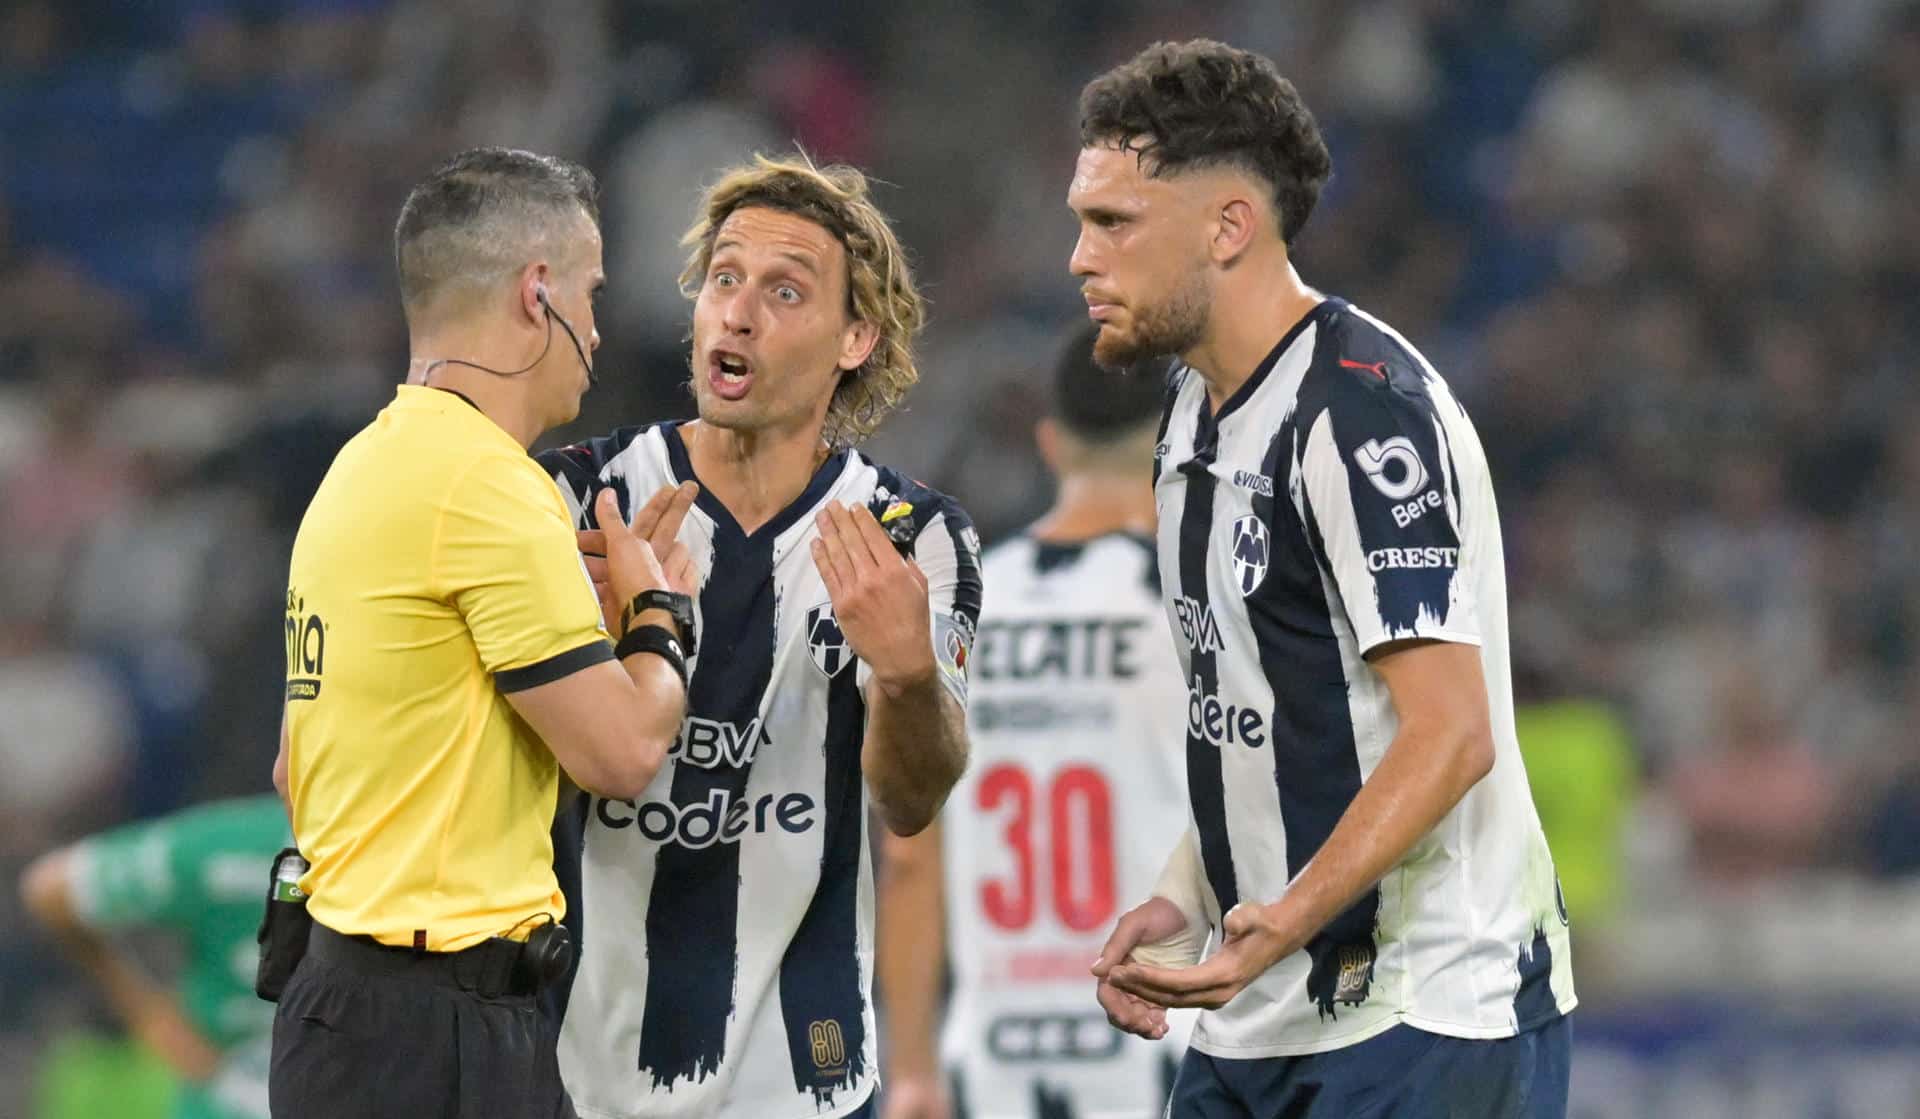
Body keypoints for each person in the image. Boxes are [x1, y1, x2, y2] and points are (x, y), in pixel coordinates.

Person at [1068, 41, 1575, 1118]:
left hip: (1423, 1009)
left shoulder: (1358, 410)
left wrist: (1287, 916)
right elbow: (1258, 717)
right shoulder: (1189, 421)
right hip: (1258, 1014)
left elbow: (1451, 732)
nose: (1080, 257)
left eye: (1113, 223)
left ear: (1228, 228)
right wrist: (1185, 893)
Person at [537, 153, 981, 1119]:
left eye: (785, 291)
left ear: (855, 337)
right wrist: (587, 648)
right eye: (724, 279)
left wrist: (907, 678)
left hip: (805, 1079)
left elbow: (912, 802)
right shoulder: (573, 496)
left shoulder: (916, 537)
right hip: (573, 1071)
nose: (736, 313)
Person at [269, 147, 693, 1119]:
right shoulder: (489, 486)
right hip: (438, 1036)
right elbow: (624, 753)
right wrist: (662, 614)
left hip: (346, 1013)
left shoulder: (360, 472)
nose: (594, 325)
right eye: (589, 294)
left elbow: (297, 775)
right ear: (537, 293)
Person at [874, 325, 1194, 1119]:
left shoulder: (961, 608)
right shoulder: (1195, 609)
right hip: (1171, 1053)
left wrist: (911, 1066)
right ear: (1182, 440)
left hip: (994, 1061)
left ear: (1051, 444)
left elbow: (911, 856)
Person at [21, 796, 289, 1119]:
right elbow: (50, 891)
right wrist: (151, 1016)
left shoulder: (232, 845)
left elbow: (48, 887)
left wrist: (149, 1016)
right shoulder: (231, 850)